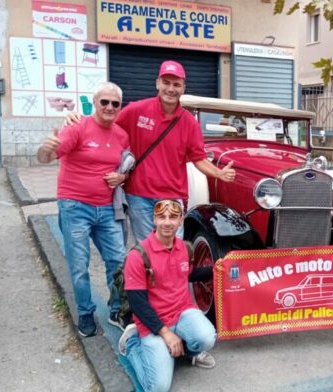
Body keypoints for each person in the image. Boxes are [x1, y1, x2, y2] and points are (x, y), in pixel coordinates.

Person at [65, 60, 236, 242]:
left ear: (183, 88)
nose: (171, 89)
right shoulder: (137, 110)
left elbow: (199, 158)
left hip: (172, 194)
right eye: (166, 83)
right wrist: (79, 119)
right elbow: (106, 122)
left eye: (176, 84)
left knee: (171, 247)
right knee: (147, 249)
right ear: (157, 83)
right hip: (139, 195)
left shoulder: (189, 123)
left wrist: (219, 173)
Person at [37, 82, 129, 336]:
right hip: (75, 207)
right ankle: (85, 313)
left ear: (120, 107)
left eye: (115, 103)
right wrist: (45, 149)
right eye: (104, 102)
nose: (109, 107)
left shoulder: (122, 135)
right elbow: (46, 157)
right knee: (79, 266)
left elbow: (125, 167)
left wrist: (121, 178)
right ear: (95, 102)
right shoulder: (77, 126)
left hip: (107, 208)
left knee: (118, 262)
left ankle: (117, 310)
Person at [118, 199, 216, 392]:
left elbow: (187, 273)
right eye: (161, 217)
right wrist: (166, 334)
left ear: (181, 220)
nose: (167, 222)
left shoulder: (184, 248)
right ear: (154, 219)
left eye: (173, 217)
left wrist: (218, 269)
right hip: (151, 322)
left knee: (207, 338)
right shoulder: (138, 256)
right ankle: (132, 345)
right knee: (158, 387)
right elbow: (137, 304)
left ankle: (186, 352)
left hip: (181, 312)